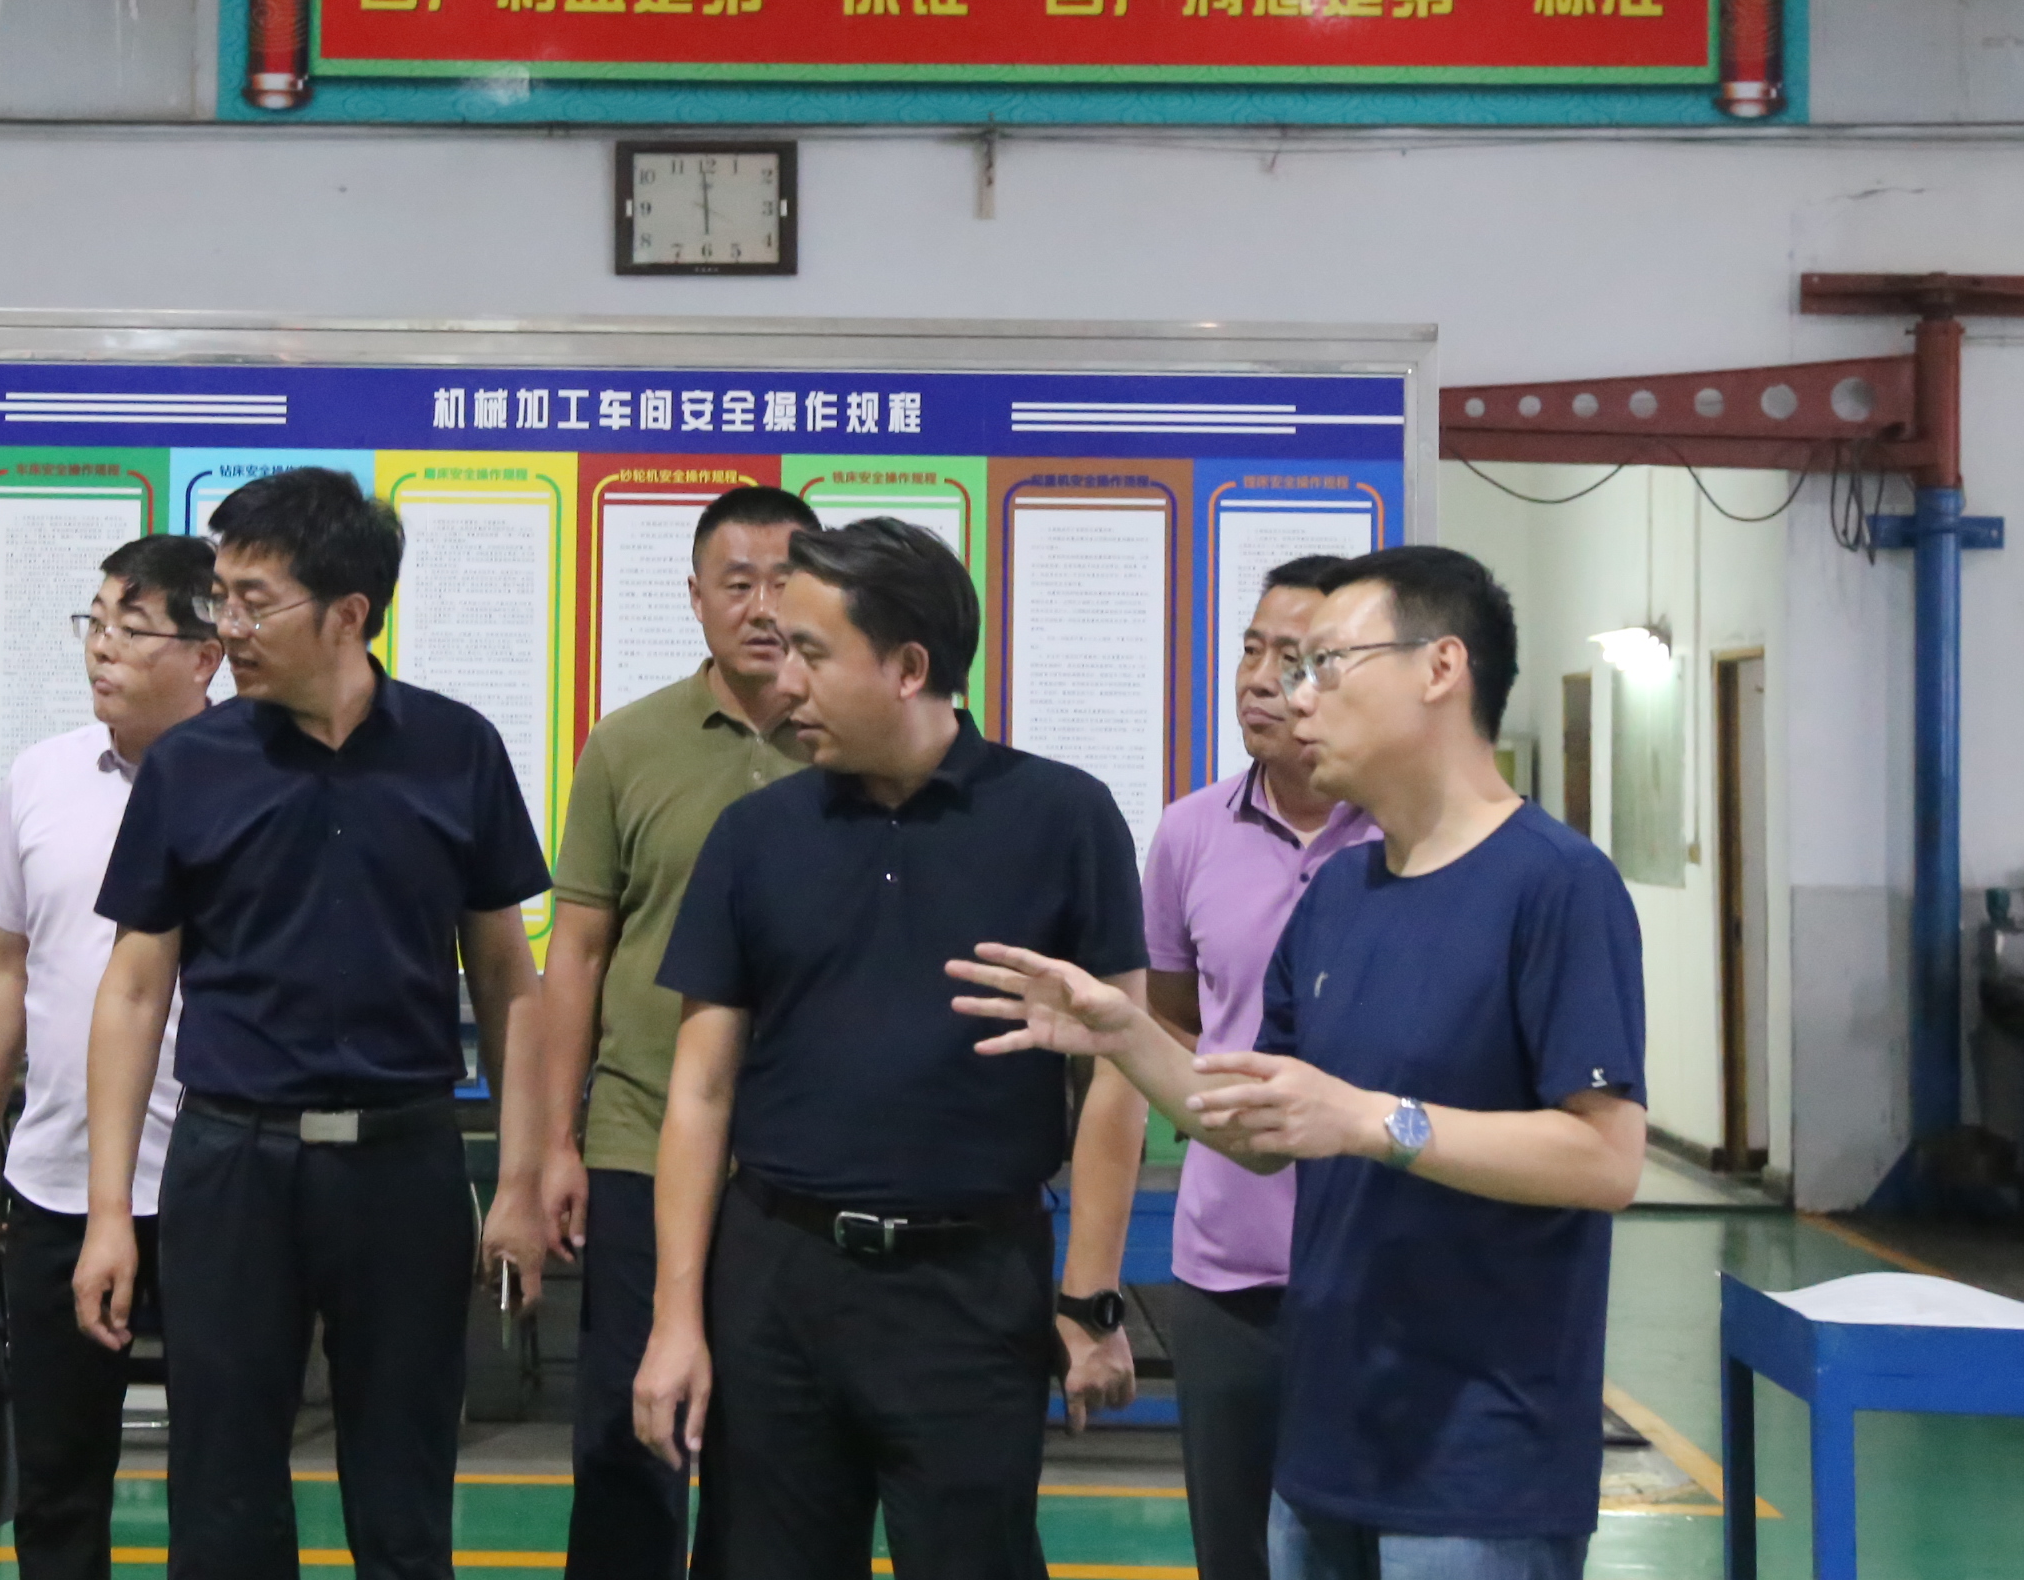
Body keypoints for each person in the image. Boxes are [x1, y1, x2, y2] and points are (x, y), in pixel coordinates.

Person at [952, 547, 1646, 1580]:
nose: (1293, 692)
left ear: (1440, 667)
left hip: (1477, 1456)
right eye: (1283, 663)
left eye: (1327, 663)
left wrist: (1371, 1120)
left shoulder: (1557, 884)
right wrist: (1124, 1032)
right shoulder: (1340, 898)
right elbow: (1256, 1129)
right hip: (1325, 1443)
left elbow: (1606, 1159)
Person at [634, 517, 1147, 1580]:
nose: (784, 683)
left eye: (812, 654)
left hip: (972, 1292)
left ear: (909, 667)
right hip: (777, 1286)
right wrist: (675, 1320)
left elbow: (1119, 1072)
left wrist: (1089, 1299)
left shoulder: (1065, 818)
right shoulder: (755, 836)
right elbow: (701, 1090)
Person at [72, 467, 554, 1580]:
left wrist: (522, 1181)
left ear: (349, 611)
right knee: (223, 1492)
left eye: (254, 601)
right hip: (233, 1163)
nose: (227, 628)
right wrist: (108, 1212)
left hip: (405, 1161)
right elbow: (134, 990)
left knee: (405, 1486)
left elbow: (507, 978)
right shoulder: (192, 763)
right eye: (221, 598)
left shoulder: (458, 749)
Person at [1054, 554, 1375, 1580]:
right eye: (1251, 649)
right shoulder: (1190, 833)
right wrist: (1092, 1294)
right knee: (1236, 1554)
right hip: (1231, 1276)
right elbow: (1159, 1038)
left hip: (1381, 1271)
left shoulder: (1412, 838)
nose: (1260, 679)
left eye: (1295, 658)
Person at [535, 484, 818, 1580]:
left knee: (773, 1447)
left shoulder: (850, 741)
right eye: (736, 583)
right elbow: (578, 953)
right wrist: (558, 1141)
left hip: (795, 1161)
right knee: (628, 1435)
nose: (762, 606)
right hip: (640, 1140)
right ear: (694, 597)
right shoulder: (628, 744)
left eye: (785, 581)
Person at [0, 536, 223, 1580]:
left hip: (213, 1178)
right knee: (58, 1473)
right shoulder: (41, 775)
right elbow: (1, 966)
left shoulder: (250, 778)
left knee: (221, 1468)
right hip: (58, 1180)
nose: (101, 647)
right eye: (95, 622)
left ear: (205, 655)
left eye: (130, 628)